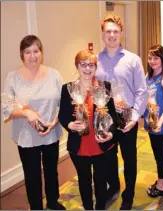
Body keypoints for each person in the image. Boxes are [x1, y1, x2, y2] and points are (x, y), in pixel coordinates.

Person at [2, 35, 65, 210]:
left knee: (52, 170)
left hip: (51, 132)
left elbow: (64, 102)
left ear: (41, 52)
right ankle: (36, 206)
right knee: (32, 174)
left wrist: (54, 121)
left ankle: (53, 202)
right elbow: (6, 108)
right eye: (27, 52)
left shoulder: (54, 74)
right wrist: (26, 113)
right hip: (26, 136)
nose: (32, 56)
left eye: (36, 51)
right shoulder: (12, 77)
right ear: (22, 54)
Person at [95, 15, 148, 210]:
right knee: (108, 156)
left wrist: (134, 116)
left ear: (121, 33)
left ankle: (129, 194)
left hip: (127, 116)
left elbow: (142, 90)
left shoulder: (133, 60)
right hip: (104, 117)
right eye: (108, 31)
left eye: (115, 31)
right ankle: (114, 185)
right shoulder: (96, 60)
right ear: (102, 34)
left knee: (129, 157)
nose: (111, 35)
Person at [58, 50, 120, 210]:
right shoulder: (68, 89)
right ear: (77, 66)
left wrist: (111, 134)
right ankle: (87, 207)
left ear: (95, 67)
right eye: (83, 64)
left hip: (101, 144)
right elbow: (63, 116)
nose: (87, 68)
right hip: (79, 146)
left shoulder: (104, 87)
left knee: (100, 181)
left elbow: (114, 116)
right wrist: (70, 125)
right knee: (84, 180)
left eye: (91, 64)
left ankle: (100, 207)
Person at [143, 45, 163, 197]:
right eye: (150, 58)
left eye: (156, 58)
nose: (152, 61)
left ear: (162, 59)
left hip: (161, 124)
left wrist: (160, 122)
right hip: (151, 120)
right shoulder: (148, 76)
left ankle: (162, 185)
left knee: (160, 154)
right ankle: (161, 179)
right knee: (157, 153)